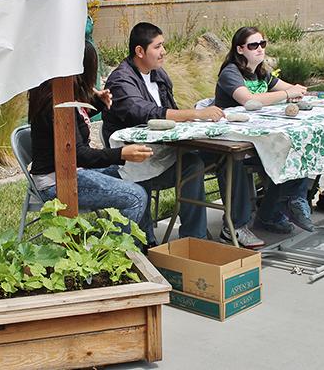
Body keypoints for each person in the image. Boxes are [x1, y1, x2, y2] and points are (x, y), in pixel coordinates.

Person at [102, 22, 266, 249]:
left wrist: (198, 119)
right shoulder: (121, 80)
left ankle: (235, 227)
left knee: (228, 155)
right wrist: (195, 113)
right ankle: (194, 240)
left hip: (168, 149)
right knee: (192, 164)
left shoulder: (158, 74)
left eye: (164, 45)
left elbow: (169, 110)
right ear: (140, 51)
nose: (164, 51)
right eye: (158, 47)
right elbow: (143, 112)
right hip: (136, 159)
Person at [28, 41, 153, 232]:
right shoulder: (56, 106)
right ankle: (115, 254)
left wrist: (97, 103)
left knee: (137, 174)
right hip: (56, 182)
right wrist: (121, 154)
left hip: (72, 171)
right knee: (135, 197)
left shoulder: (60, 94)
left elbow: (76, 133)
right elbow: (79, 154)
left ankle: (146, 243)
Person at [215, 26, 315, 235]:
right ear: (240, 49)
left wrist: (297, 92)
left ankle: (278, 210)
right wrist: (287, 94)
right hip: (232, 140)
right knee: (287, 152)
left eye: (262, 44)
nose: (260, 49)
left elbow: (294, 89)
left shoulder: (261, 73)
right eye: (253, 45)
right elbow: (249, 100)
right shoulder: (230, 73)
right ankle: (277, 209)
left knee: (302, 147)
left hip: (260, 138)